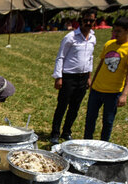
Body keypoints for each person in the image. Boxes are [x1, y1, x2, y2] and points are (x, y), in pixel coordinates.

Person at [84, 17, 128, 142]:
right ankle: (86, 142)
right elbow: (101, 64)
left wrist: (124, 94)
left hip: (113, 92)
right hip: (97, 89)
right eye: (114, 31)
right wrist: (92, 80)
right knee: (90, 119)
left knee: (108, 121)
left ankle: (104, 146)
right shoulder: (109, 44)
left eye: (119, 31)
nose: (116, 34)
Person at [50, 9, 97, 144]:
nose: (88, 23)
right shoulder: (70, 37)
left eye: (91, 21)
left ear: (94, 22)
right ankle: (55, 133)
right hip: (69, 76)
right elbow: (61, 57)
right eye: (86, 20)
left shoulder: (93, 38)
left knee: (75, 107)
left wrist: (89, 77)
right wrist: (58, 77)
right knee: (62, 106)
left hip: (82, 78)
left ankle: (67, 131)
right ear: (80, 21)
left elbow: (90, 58)